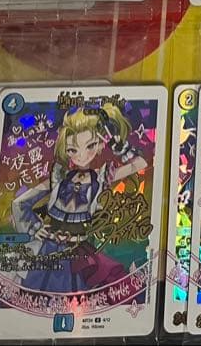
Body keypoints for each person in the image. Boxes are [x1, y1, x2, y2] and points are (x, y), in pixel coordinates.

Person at [11, 103, 147, 299]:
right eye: (73, 149)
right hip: (49, 252)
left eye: (90, 146)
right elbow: (20, 203)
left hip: (79, 254)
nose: (81, 156)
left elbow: (140, 164)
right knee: (39, 298)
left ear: (100, 145)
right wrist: (34, 228)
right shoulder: (59, 178)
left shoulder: (101, 178)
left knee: (77, 298)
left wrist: (120, 147)